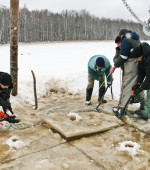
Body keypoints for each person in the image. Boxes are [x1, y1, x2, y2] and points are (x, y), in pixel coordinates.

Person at [110, 29, 145, 115]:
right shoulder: (136, 38)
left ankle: (122, 108)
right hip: (138, 64)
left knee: (127, 85)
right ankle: (144, 105)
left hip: (131, 66)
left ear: (122, 35)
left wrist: (114, 66)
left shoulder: (125, 40)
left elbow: (123, 57)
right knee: (137, 84)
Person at [132, 42, 150, 119]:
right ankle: (146, 109)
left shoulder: (149, 60)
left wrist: (141, 88)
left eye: (137, 58)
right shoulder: (142, 60)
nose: (137, 60)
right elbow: (141, 73)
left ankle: (147, 113)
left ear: (141, 55)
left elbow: (149, 78)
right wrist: (138, 83)